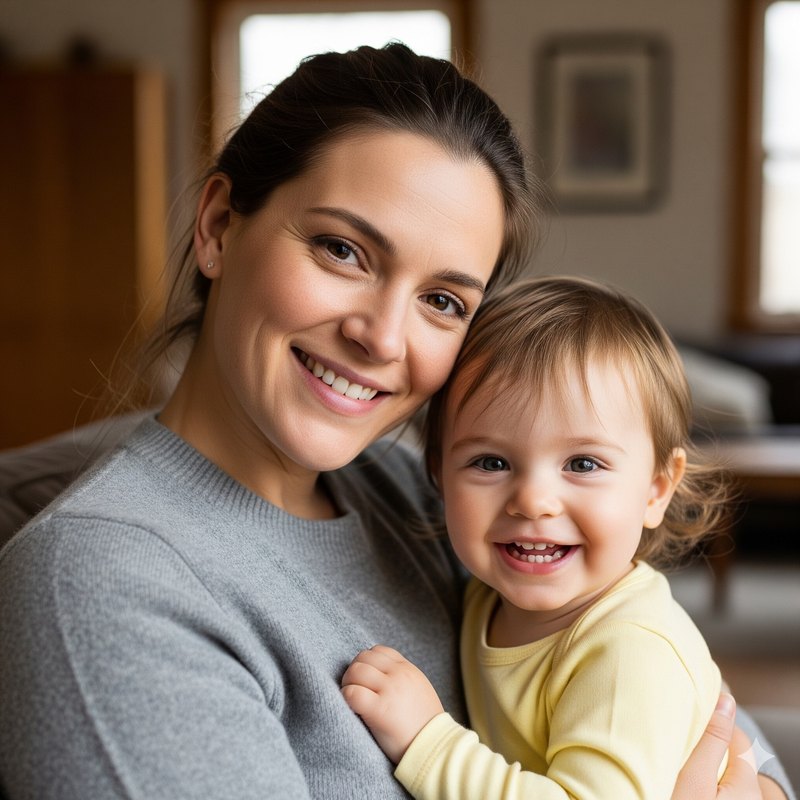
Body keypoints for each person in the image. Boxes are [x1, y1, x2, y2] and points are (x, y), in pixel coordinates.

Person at [0, 43, 789, 800]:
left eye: (442, 301)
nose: (381, 337)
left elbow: (713, 729)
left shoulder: (416, 492)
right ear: (216, 226)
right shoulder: (107, 586)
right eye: (343, 251)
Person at [342, 276, 796, 800]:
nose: (533, 500)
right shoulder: (485, 594)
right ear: (439, 475)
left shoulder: (628, 651)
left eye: (583, 463)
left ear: (655, 489)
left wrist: (428, 742)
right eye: (491, 462)